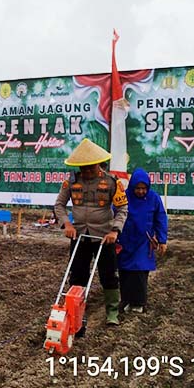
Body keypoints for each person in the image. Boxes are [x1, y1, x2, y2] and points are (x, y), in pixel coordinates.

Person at [54, 139, 128, 325]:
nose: (86, 172)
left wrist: (115, 231)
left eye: (90, 168)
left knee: (108, 275)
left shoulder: (112, 182)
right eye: (83, 168)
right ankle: (75, 311)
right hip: (79, 235)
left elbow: (123, 208)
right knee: (77, 275)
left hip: (104, 237)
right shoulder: (71, 181)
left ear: (99, 165)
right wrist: (66, 225)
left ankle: (112, 312)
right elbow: (59, 205)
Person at [117, 168, 168, 313]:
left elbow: (160, 219)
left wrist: (162, 239)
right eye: (138, 188)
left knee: (139, 272)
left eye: (144, 188)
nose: (141, 191)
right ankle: (126, 300)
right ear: (132, 186)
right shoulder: (124, 197)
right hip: (126, 240)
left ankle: (138, 303)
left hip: (144, 242)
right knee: (125, 272)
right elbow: (114, 213)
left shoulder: (154, 198)